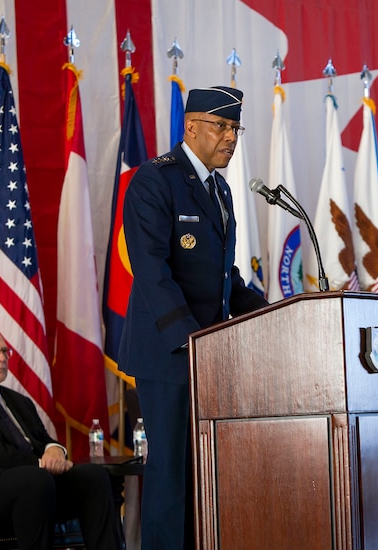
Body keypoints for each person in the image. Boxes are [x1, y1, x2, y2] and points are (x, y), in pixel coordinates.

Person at [119, 85, 269, 549]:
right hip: (170, 354)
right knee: (169, 475)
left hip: (209, 359)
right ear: (191, 127)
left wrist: (280, 313)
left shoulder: (220, 188)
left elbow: (227, 280)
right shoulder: (154, 179)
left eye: (235, 128)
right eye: (221, 126)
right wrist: (189, 341)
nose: (230, 137)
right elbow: (151, 270)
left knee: (203, 478)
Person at [0, 326, 120, 550]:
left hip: (34, 480)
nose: (2, 358)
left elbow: (43, 440)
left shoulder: (18, 401)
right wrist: (39, 464)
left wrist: (55, 450)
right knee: (35, 480)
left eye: (5, 351)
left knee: (94, 476)